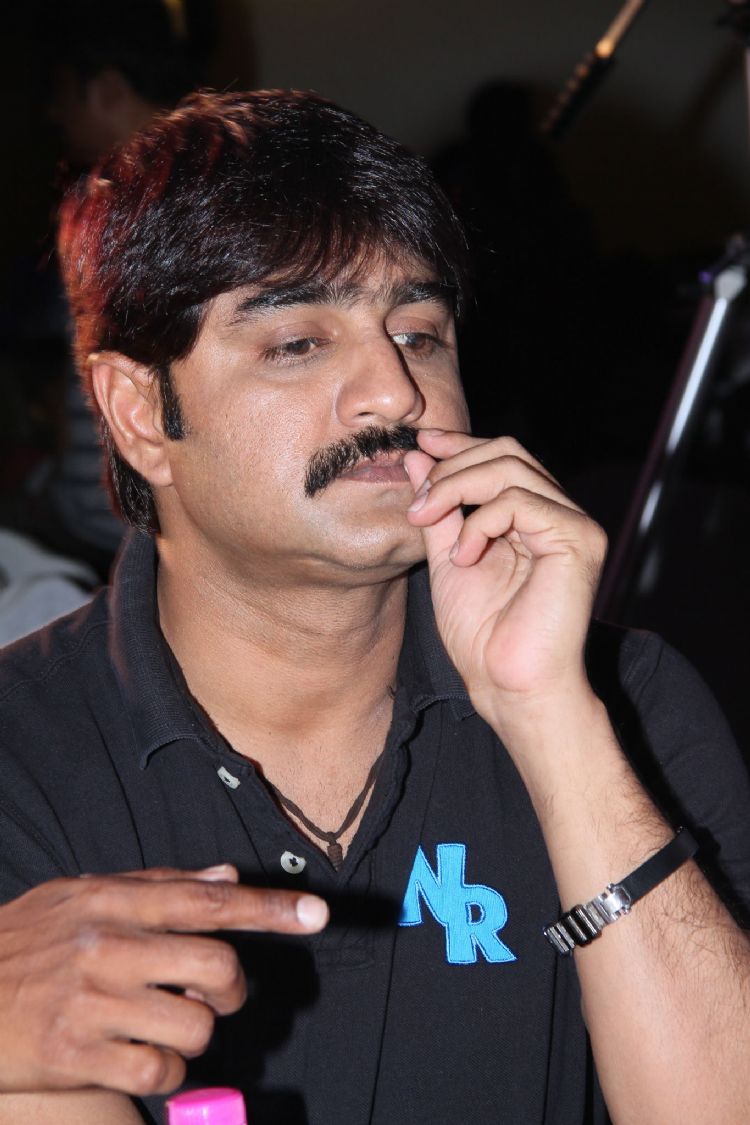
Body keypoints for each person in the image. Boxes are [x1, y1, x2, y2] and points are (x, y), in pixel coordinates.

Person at [0, 91, 747, 1125]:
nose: (394, 394)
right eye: (297, 343)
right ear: (138, 413)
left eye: (419, 332)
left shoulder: (631, 705)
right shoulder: (21, 751)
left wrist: (550, 717)